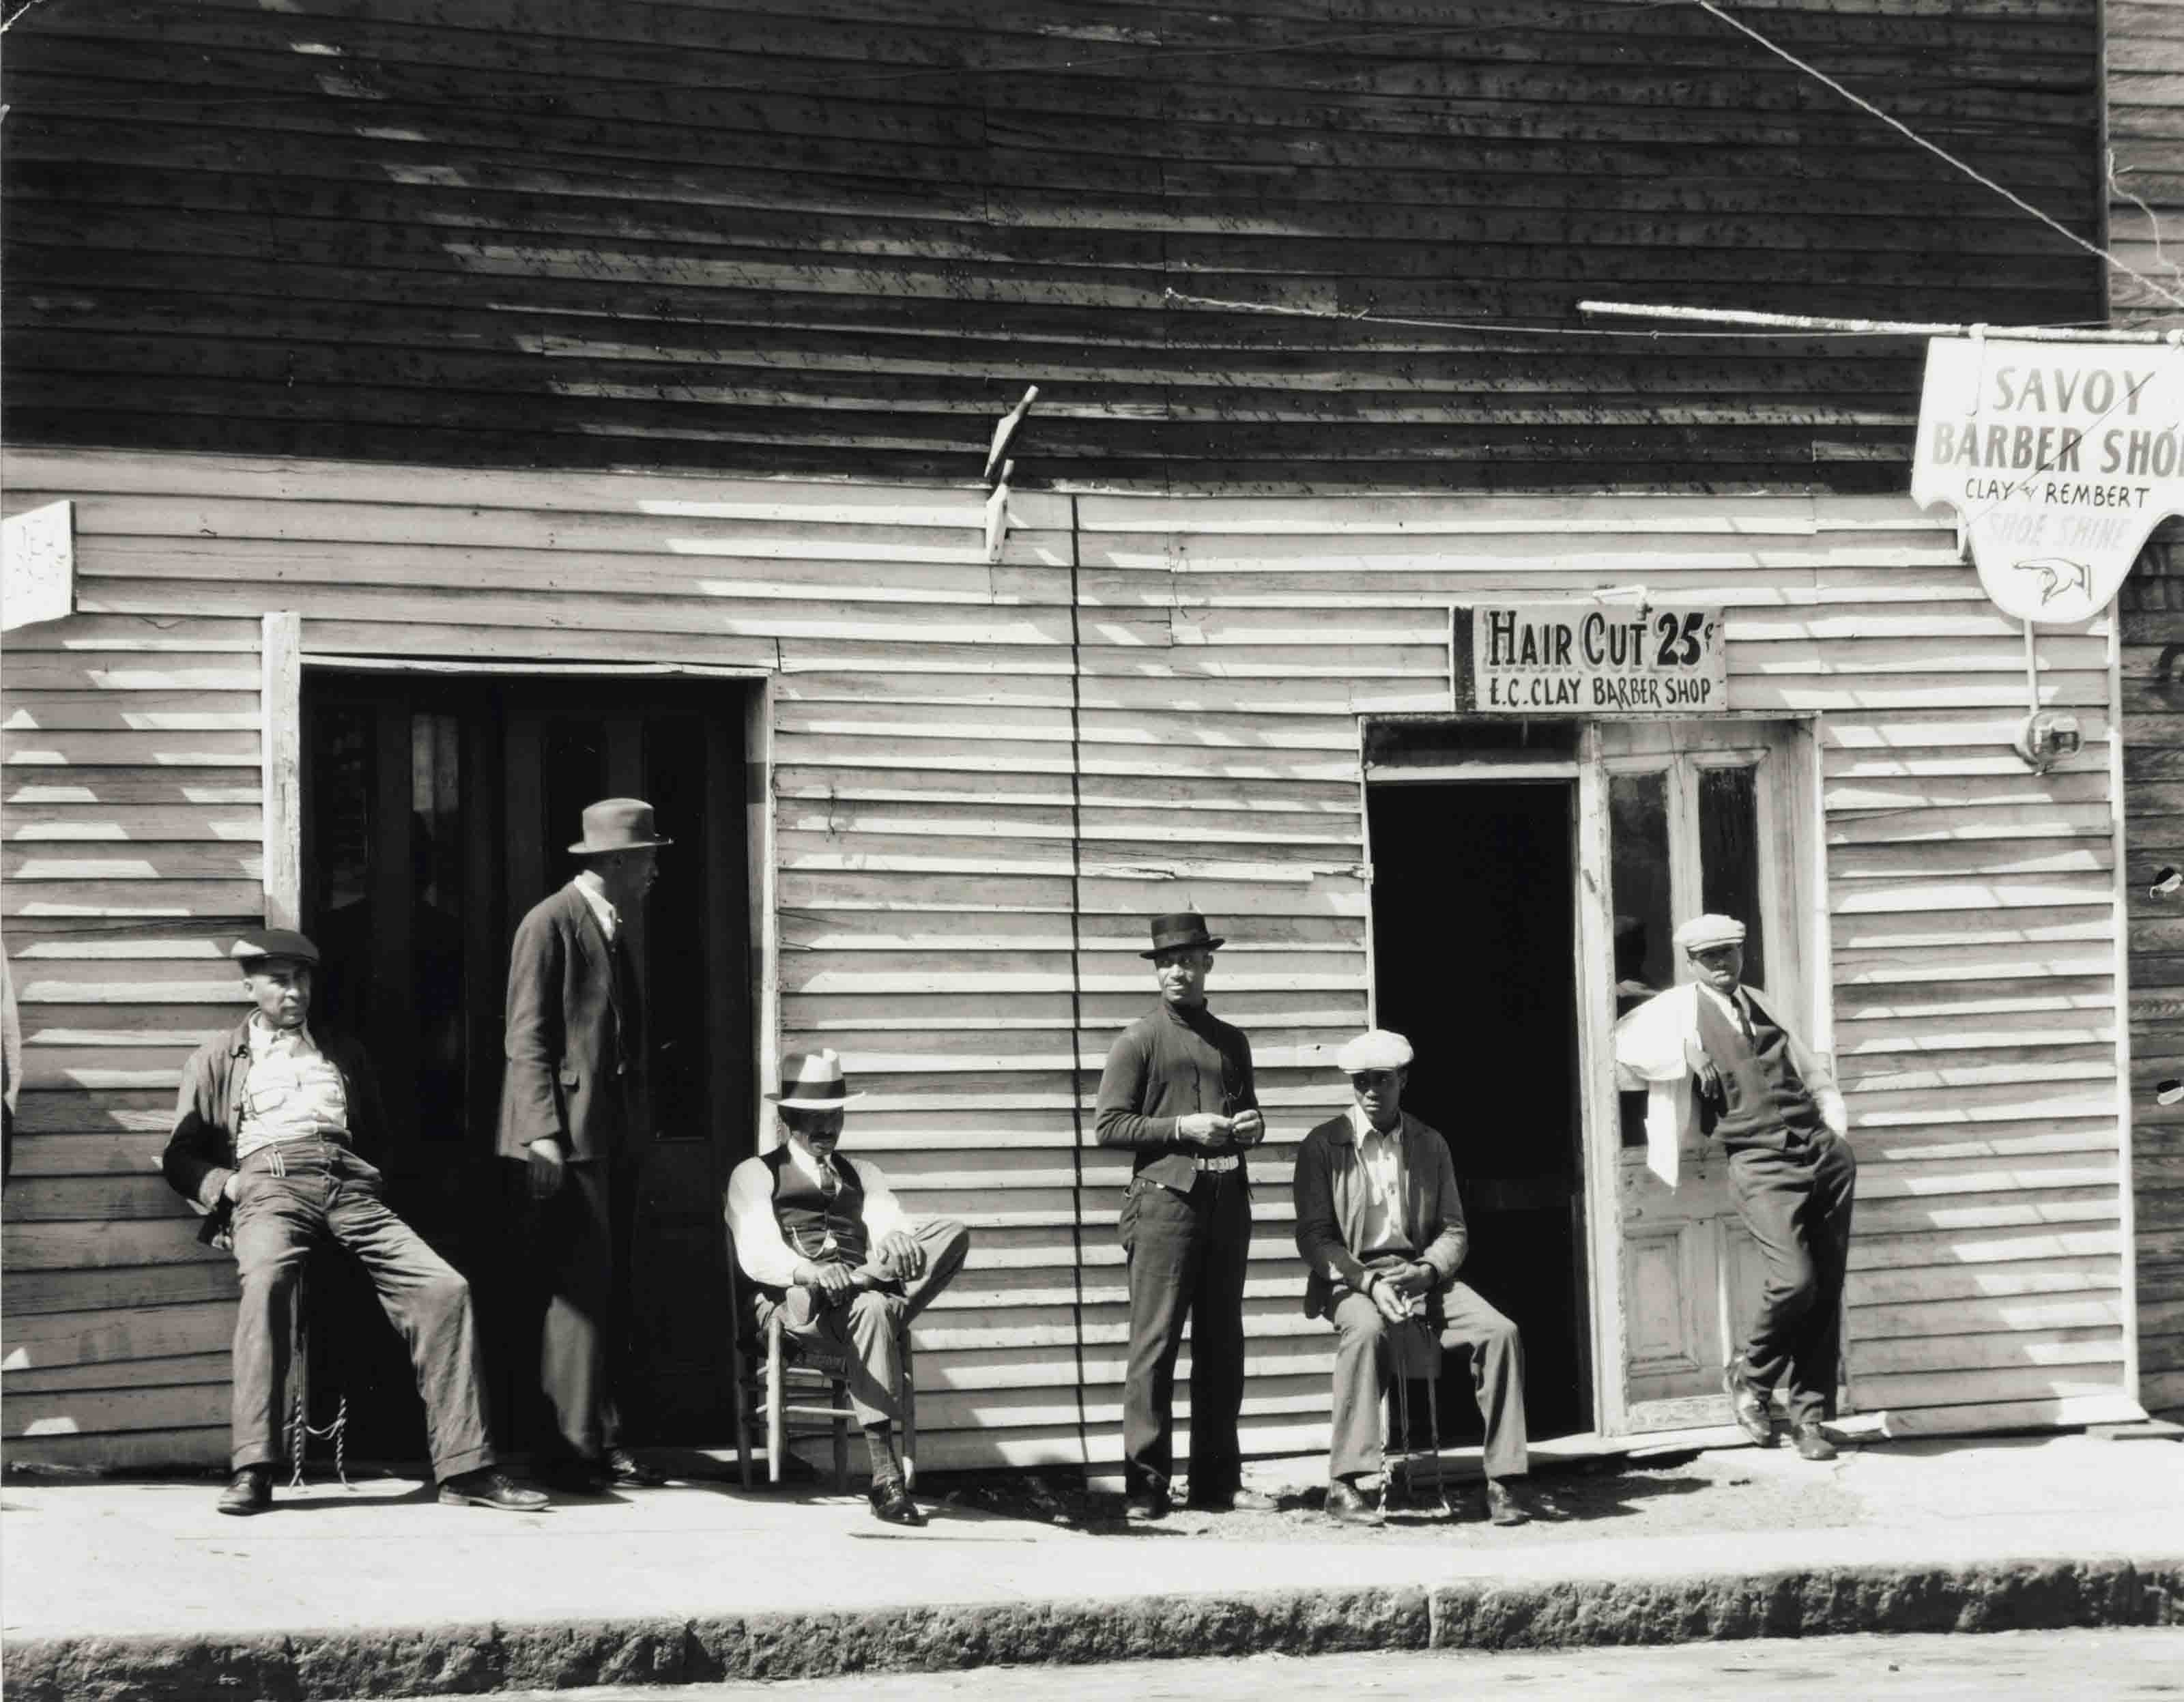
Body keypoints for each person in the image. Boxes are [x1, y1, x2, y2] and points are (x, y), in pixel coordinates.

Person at [159, 929, 545, 1516]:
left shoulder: (342, 1051)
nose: (295, 992)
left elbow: (379, 1136)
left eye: (304, 979)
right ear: (250, 986)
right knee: (265, 1284)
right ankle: (254, 1467)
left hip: (350, 1188)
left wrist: (364, 1186)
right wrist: (229, 1186)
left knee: (445, 1289)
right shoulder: (217, 1058)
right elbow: (180, 1155)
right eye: (280, 981)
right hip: (270, 1185)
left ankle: (467, 1468)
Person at [1612, 913, 1856, 1462]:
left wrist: (1836, 1132)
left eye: (1730, 953)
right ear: (1690, 962)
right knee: (1795, 1281)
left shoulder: (1763, 1002)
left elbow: (1807, 1068)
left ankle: (1810, 1418)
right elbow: (1619, 1048)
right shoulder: (1676, 1010)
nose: (1723, 965)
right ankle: (1750, 1374)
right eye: (1710, 957)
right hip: (1759, 1159)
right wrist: (1684, 1056)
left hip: (1821, 1152)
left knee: (1827, 1286)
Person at [498, 797, 671, 1493]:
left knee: (606, 1286)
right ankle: (569, 1451)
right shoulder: (550, 923)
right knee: (575, 1290)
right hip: (566, 1140)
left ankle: (601, 1439)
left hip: (611, 1134)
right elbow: (526, 1036)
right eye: (650, 856)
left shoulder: (611, 924)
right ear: (619, 860)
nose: (656, 869)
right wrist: (540, 1133)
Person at [1293, 1028, 1532, 1526]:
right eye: (1361, 1082)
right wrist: (1370, 1284)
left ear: (1404, 1080)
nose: (1371, 1092)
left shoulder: (1429, 1143)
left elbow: (1454, 1231)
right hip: (1351, 1279)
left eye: (1382, 1080)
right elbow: (1316, 1240)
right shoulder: (1322, 1146)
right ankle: (1346, 1483)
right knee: (1367, 1330)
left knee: (1500, 1332)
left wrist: (1426, 1271)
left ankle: (1504, 1482)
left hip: (1420, 1276)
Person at [726, 1050, 971, 1526]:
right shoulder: (755, 1173)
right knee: (877, 1308)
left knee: (950, 1235)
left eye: (835, 1116)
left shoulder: (865, 1174)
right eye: (814, 1118)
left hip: (856, 1304)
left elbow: (888, 1223)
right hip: (794, 1310)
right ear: (786, 1117)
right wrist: (809, 1273)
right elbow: (755, 1254)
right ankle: (886, 1478)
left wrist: (897, 1239)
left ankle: (861, 1287)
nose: (827, 1128)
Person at [1094, 912, 1270, 1522]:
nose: (1177, 970)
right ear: (1157, 969)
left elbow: (1249, 1113)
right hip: (1164, 1207)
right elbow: (1109, 1126)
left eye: (1188, 960)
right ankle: (1145, 1485)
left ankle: (1217, 1480)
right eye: (1167, 961)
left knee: (1223, 1344)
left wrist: (1252, 1128)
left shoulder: (1232, 1040)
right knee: (1157, 1344)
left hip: (1227, 1206)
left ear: (1207, 966)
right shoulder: (1138, 1040)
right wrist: (1178, 1128)